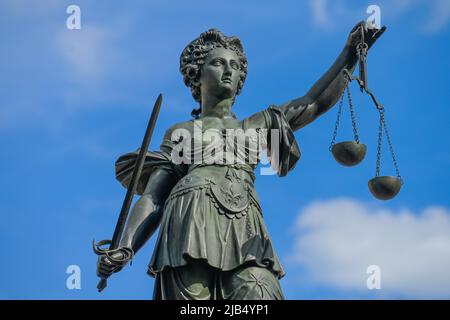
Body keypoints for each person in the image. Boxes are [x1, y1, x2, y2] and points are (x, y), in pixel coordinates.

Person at [96, 22, 385, 300]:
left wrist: (349, 53)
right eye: (218, 63)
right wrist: (126, 246)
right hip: (188, 226)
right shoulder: (182, 132)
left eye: (235, 66)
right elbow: (153, 197)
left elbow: (313, 102)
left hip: (245, 227)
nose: (228, 71)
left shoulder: (260, 125)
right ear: (197, 74)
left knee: (259, 290)